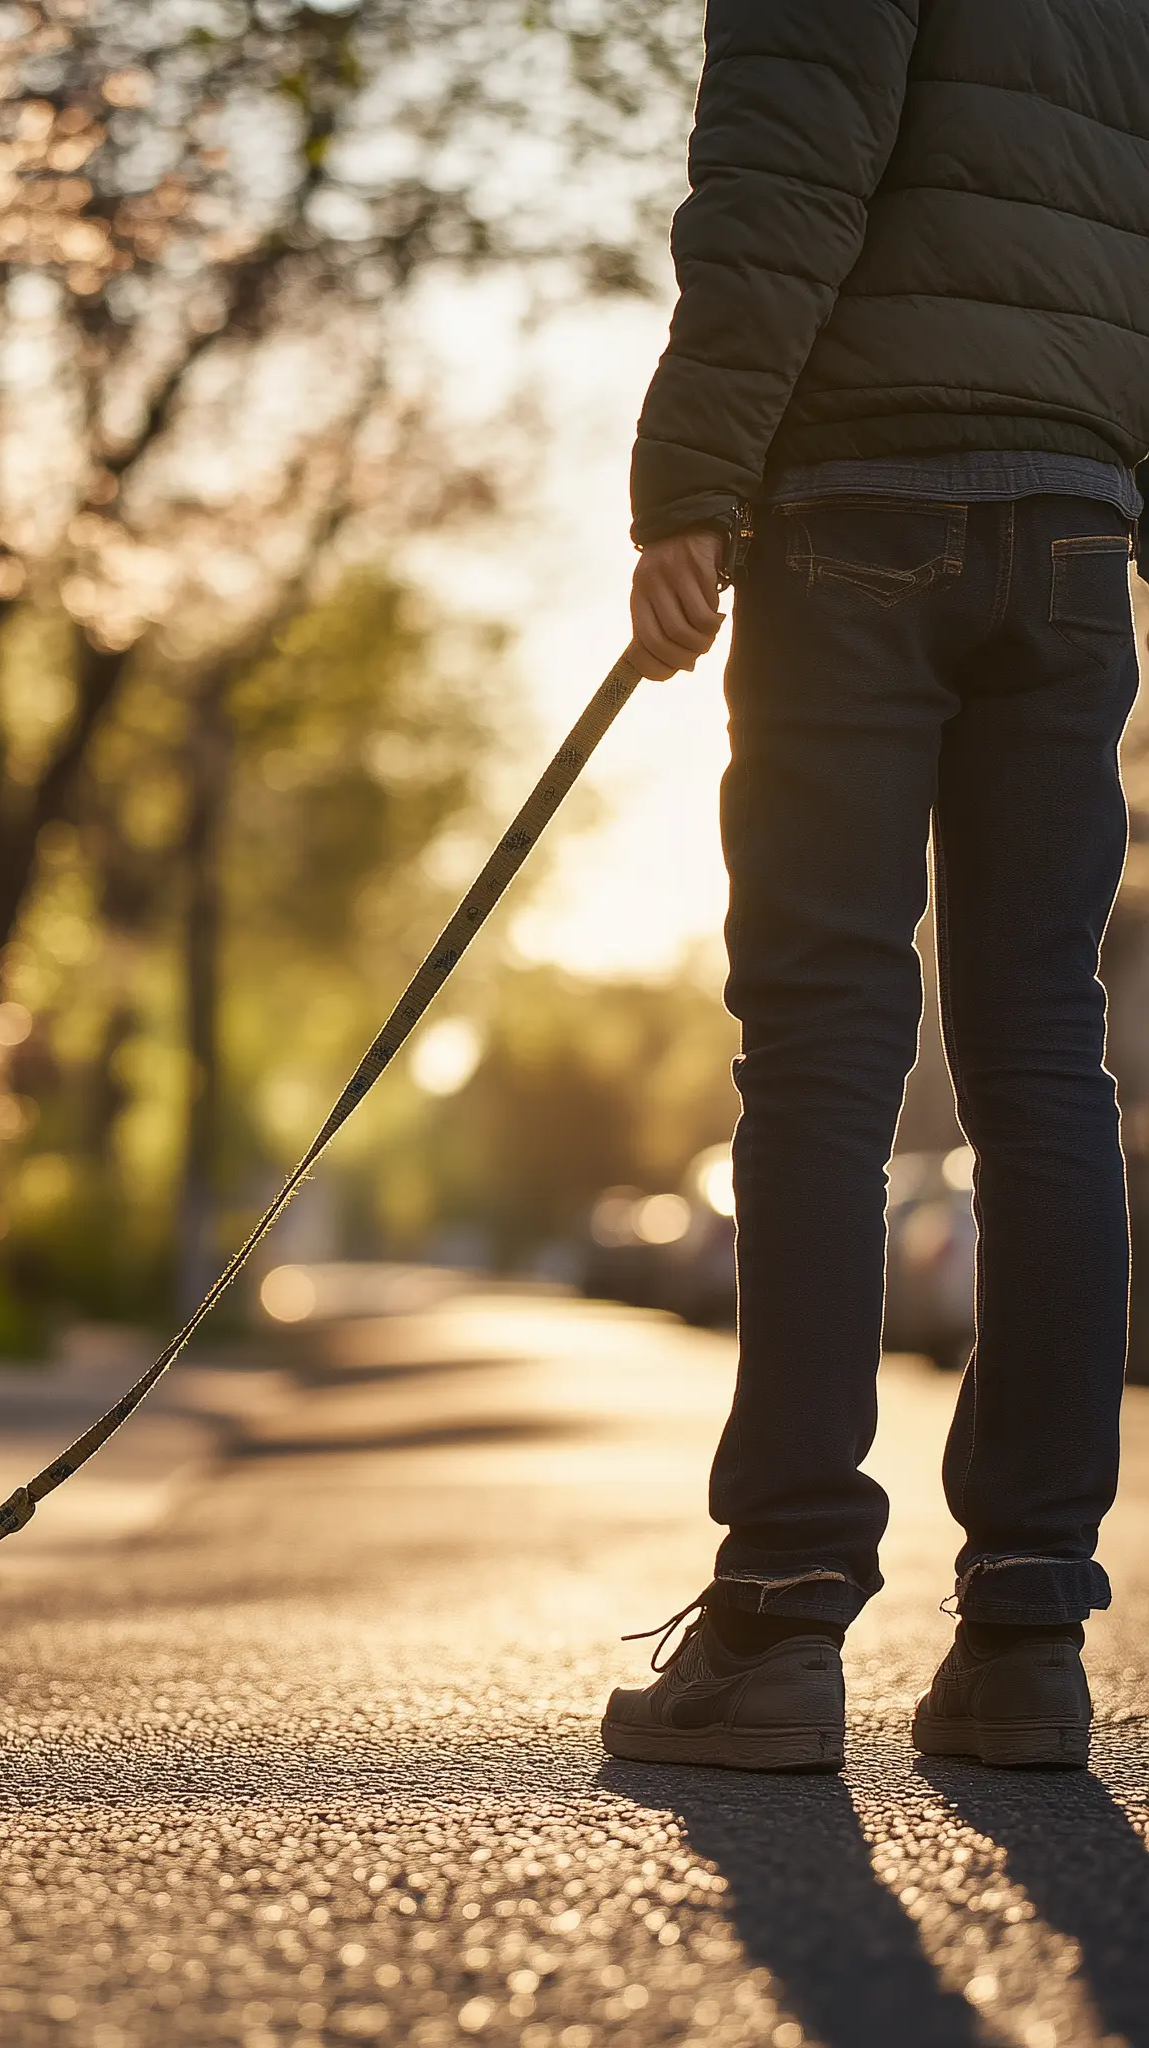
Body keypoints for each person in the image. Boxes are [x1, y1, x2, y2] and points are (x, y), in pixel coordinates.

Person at [601, 0, 1149, 1773]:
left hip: (859, 504)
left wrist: (691, 479)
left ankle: (778, 1614)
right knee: (1047, 1061)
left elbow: (779, 174)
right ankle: (1027, 1633)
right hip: (1074, 525)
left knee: (825, 1060)